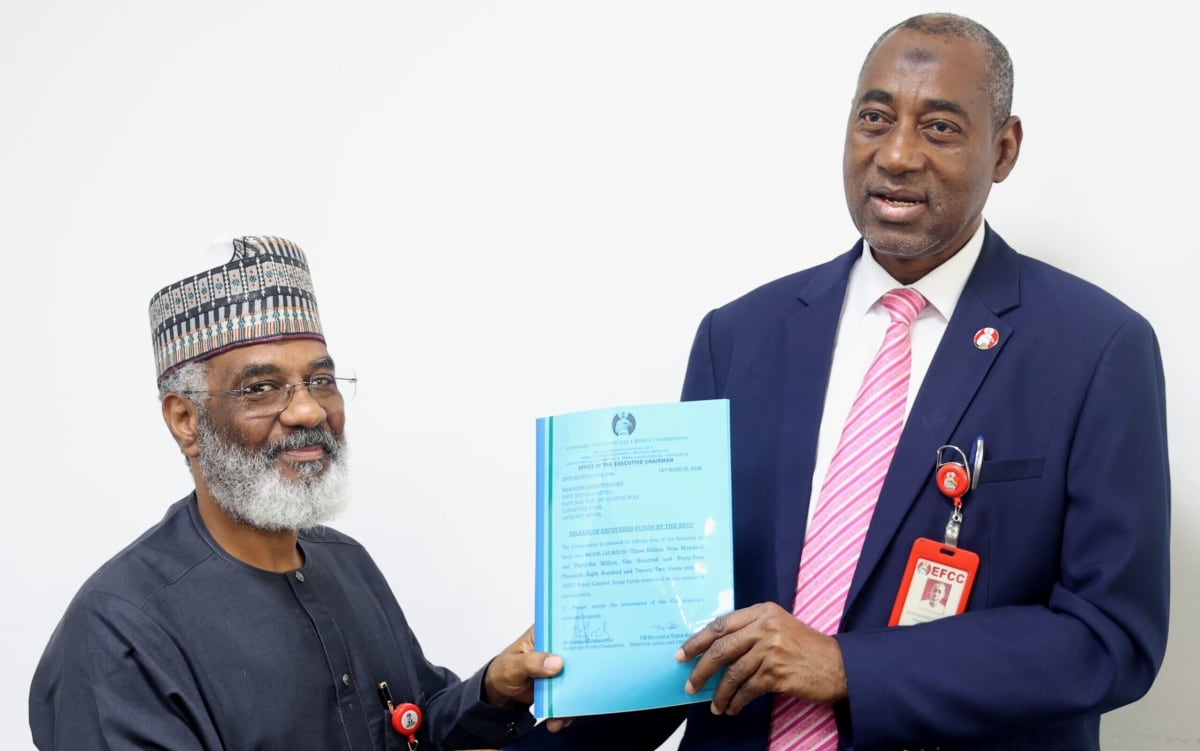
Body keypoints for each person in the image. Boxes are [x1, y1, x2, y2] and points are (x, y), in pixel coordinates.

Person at [509, 12, 1169, 751]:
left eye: (941, 128)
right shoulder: (739, 337)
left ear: (1005, 148)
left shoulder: (1097, 348)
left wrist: (848, 665)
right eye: (875, 118)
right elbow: (686, 623)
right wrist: (536, 695)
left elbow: (1111, 638)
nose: (897, 154)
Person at [29, 235, 565, 750]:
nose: (309, 410)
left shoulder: (346, 562)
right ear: (186, 420)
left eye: (321, 380)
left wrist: (493, 690)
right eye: (261, 388)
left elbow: (413, 726)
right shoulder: (119, 635)